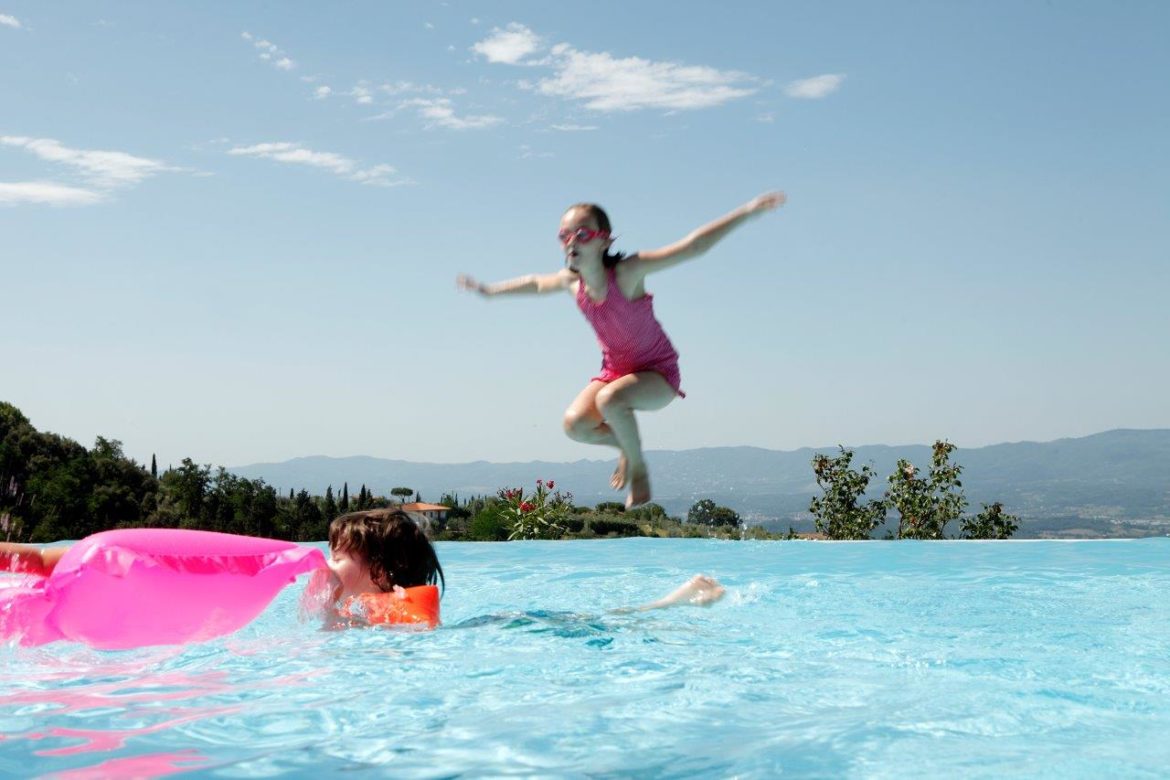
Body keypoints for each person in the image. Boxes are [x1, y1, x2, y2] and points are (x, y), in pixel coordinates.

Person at [458, 192, 786, 508]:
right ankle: (625, 447)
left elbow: (692, 246)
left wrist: (747, 212)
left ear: (605, 240)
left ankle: (639, 467)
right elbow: (535, 282)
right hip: (614, 372)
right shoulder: (572, 283)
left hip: (657, 375)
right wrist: (489, 290)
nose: (571, 241)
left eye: (582, 234)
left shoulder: (627, 274)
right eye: (564, 235)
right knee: (575, 425)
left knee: (609, 400)